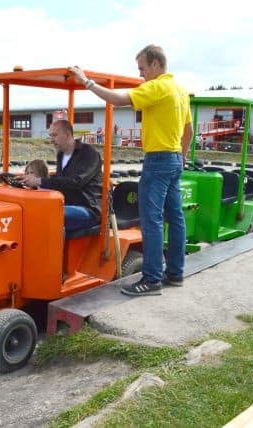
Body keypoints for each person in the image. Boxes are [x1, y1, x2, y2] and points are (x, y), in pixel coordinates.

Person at [68, 44, 193, 296]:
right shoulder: (180, 90)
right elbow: (188, 131)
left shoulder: (157, 87)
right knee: (175, 218)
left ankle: (151, 279)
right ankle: (176, 273)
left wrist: (86, 82)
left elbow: (118, 99)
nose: (141, 75)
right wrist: (183, 155)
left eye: (142, 68)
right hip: (173, 159)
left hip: (157, 161)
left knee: (151, 221)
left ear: (156, 64)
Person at [19, 119, 103, 231]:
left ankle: (53, 248)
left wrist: (40, 181)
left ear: (67, 134)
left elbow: (76, 182)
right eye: (50, 136)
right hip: (64, 204)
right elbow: (60, 180)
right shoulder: (61, 155)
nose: (51, 140)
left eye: (54, 135)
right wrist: (31, 181)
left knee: (49, 214)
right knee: (30, 209)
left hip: (87, 208)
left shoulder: (89, 153)